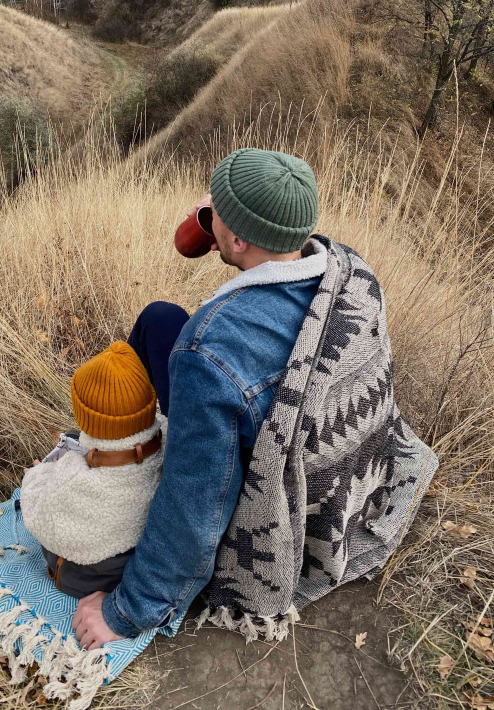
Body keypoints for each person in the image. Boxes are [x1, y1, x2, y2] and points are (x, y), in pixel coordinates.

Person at [73, 147, 329, 649]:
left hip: (249, 464)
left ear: (235, 238)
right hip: (283, 405)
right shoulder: (342, 269)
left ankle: (128, 459)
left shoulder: (207, 351)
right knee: (159, 317)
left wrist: (125, 612)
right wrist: (233, 217)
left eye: (219, 216)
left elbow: (197, 505)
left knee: (178, 354)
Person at [21, 342, 165, 599]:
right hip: (136, 565)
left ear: (84, 415)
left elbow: (39, 518)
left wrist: (35, 477)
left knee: (41, 480)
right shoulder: (171, 442)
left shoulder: (73, 476)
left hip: (89, 578)